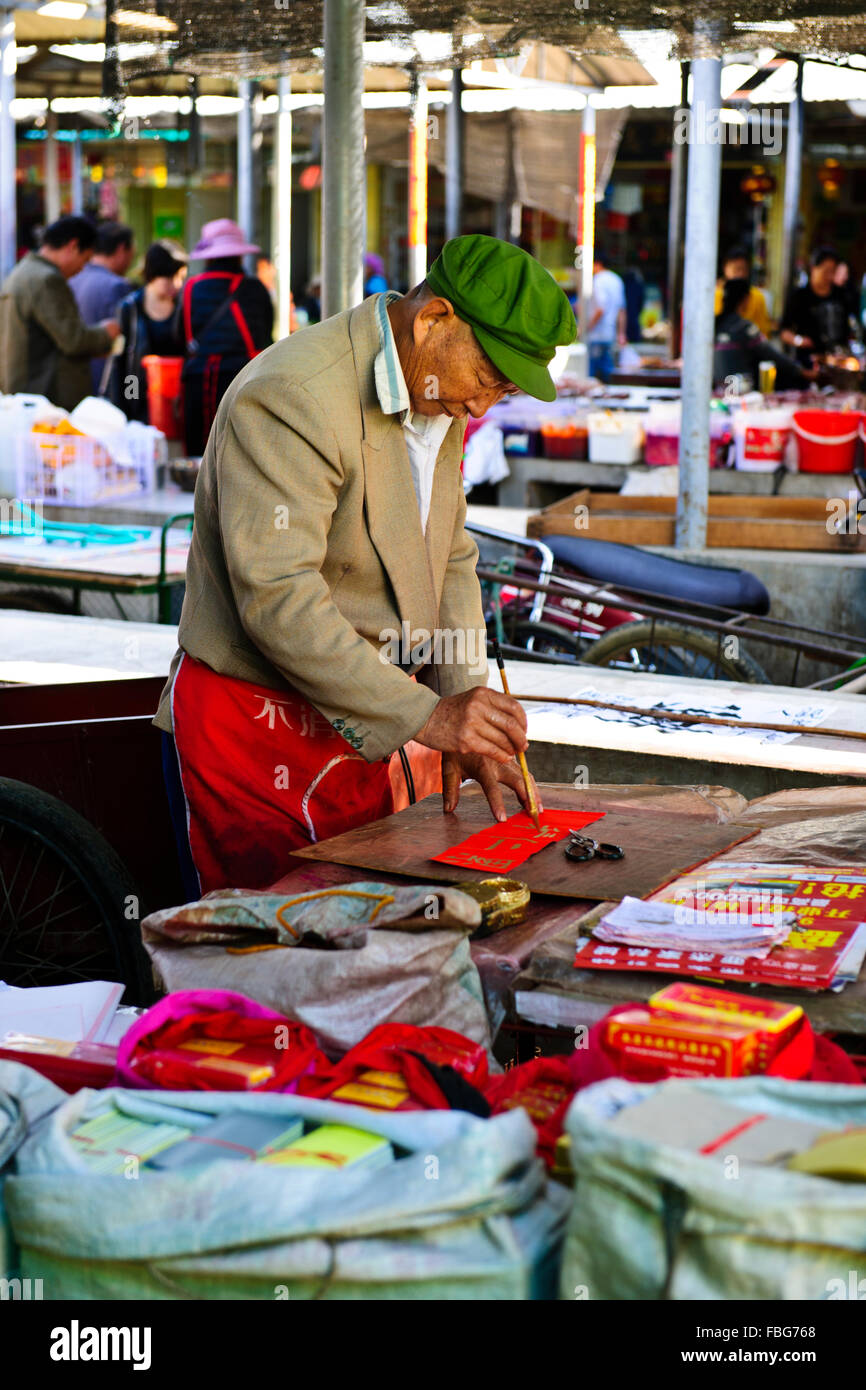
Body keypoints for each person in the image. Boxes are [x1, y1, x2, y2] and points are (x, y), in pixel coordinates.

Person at [154, 234, 576, 895]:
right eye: (488, 379)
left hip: (352, 729)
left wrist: (466, 706)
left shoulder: (435, 386)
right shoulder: (292, 396)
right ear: (435, 319)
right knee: (265, 950)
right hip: (253, 727)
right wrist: (427, 717)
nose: (482, 406)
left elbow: (452, 554)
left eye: (502, 392)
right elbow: (278, 596)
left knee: (360, 931)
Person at [0, 214, 119, 411]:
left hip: (23, 394)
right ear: (73, 246)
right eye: (85, 259)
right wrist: (107, 332)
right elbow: (73, 340)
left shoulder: (22, 272)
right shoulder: (47, 280)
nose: (82, 269)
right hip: (44, 400)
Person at [178, 219, 274, 456]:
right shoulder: (254, 288)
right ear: (239, 256)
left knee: (200, 457)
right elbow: (265, 336)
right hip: (243, 380)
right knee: (240, 453)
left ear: (209, 257)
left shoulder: (190, 288)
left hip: (199, 384)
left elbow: (180, 335)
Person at [110, 241, 187, 422]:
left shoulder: (185, 305)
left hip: (176, 400)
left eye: (181, 277)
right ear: (153, 275)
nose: (176, 284)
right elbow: (124, 364)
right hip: (141, 396)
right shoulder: (130, 307)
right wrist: (131, 405)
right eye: (169, 277)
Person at [713, 278, 814, 391]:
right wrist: (802, 372)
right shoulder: (744, 328)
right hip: (739, 391)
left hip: (716, 390)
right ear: (746, 299)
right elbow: (772, 355)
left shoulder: (713, 325)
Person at [69, 220, 135, 393]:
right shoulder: (118, 286)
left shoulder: (71, 279)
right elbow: (129, 348)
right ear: (122, 249)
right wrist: (132, 394)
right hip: (106, 385)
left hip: (74, 382)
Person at [780, 246, 849, 367]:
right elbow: (784, 331)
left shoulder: (841, 295)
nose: (829, 276)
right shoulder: (799, 296)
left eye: (832, 271)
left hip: (837, 360)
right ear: (813, 268)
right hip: (807, 361)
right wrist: (799, 341)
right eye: (825, 270)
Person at [586, 250, 625, 383]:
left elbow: (600, 309)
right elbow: (621, 310)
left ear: (597, 264)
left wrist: (587, 327)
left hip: (597, 333)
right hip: (610, 332)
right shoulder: (616, 279)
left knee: (591, 374)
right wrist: (621, 333)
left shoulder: (598, 280)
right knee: (608, 371)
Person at [714, 246, 771, 335]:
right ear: (725, 268)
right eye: (736, 269)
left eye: (743, 269)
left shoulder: (757, 296)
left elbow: (763, 333)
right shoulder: (715, 295)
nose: (740, 274)